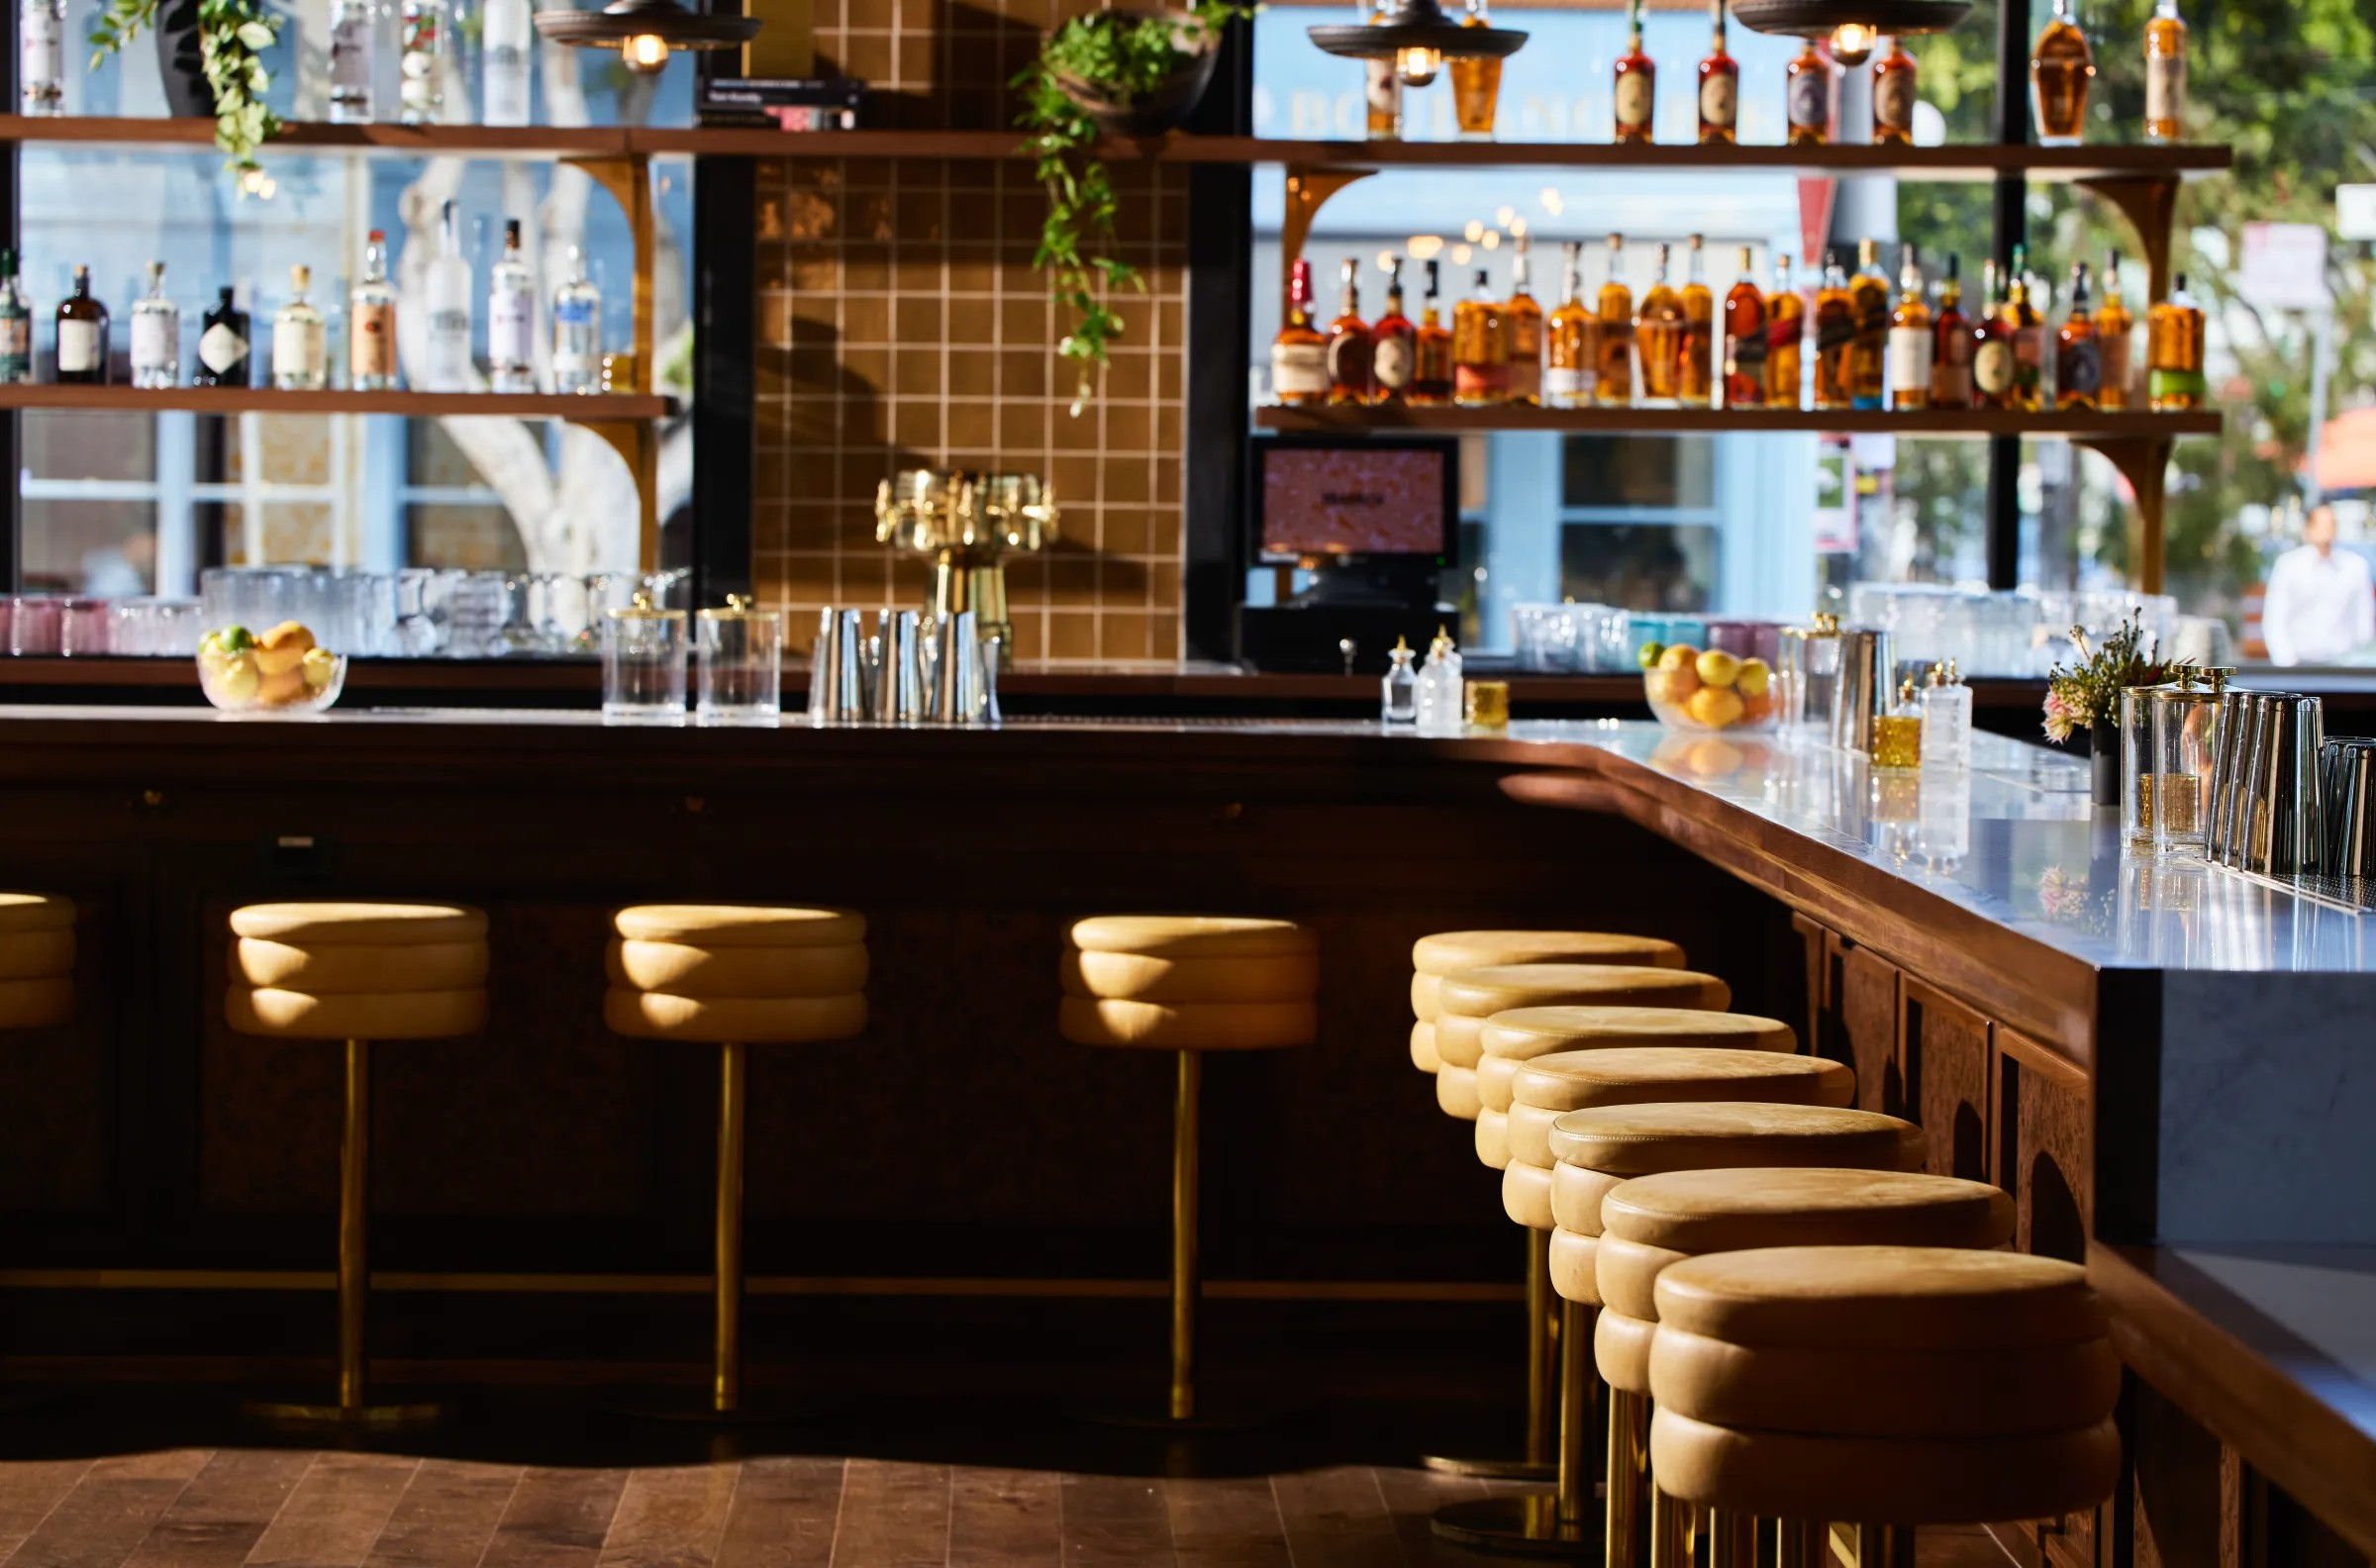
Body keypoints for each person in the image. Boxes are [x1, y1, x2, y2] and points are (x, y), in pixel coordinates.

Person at [2261, 503, 2374, 665]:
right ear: (2308, 529)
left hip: (2344, 664)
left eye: (2331, 524)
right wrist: (2287, 664)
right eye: (2321, 524)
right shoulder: (2289, 566)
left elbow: (2363, 622)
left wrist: (2356, 661)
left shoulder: (2355, 566)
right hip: (2298, 663)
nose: (2327, 531)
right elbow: (2275, 619)